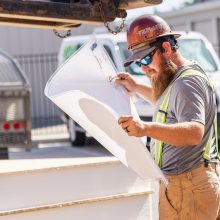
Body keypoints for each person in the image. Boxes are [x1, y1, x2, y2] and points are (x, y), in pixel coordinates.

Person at [116, 14, 220, 220]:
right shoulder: (178, 78)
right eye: (138, 62)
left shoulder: (185, 83)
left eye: (146, 58)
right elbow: (168, 107)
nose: (144, 68)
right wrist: (136, 88)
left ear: (166, 48)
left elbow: (194, 132)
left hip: (189, 187)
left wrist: (144, 128)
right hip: (187, 186)